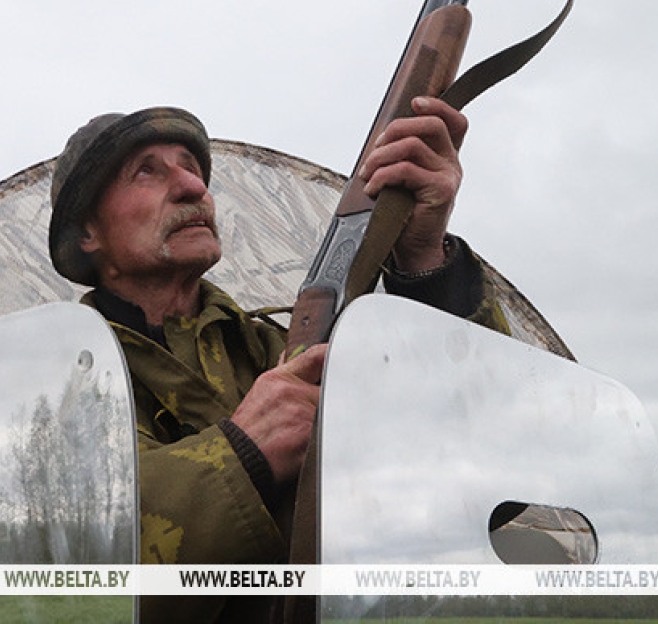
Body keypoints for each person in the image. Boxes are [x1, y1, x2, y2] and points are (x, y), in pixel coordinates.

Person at [47, 102, 508, 622]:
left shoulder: (282, 353)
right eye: (146, 172)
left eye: (192, 168)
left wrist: (426, 262)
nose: (193, 188)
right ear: (88, 234)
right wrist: (242, 454)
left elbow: (475, 464)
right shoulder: (55, 383)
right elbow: (58, 558)